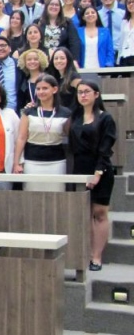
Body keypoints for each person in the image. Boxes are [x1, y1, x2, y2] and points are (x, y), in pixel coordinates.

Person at [69, 78, 117, 272]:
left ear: (96, 94)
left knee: (99, 213)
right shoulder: (75, 116)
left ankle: (96, 257)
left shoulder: (105, 118)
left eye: (87, 91)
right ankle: (84, 253)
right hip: (79, 168)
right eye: (80, 92)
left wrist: (98, 173)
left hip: (100, 169)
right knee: (83, 213)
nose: (83, 95)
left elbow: (106, 149)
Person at [13, 74, 71, 192]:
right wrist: (16, 163)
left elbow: (70, 135)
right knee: (32, 196)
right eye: (38, 89)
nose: (41, 92)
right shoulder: (28, 112)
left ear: (54, 89)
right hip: (32, 161)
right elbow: (21, 138)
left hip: (56, 162)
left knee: (56, 195)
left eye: (45, 88)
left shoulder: (65, 113)